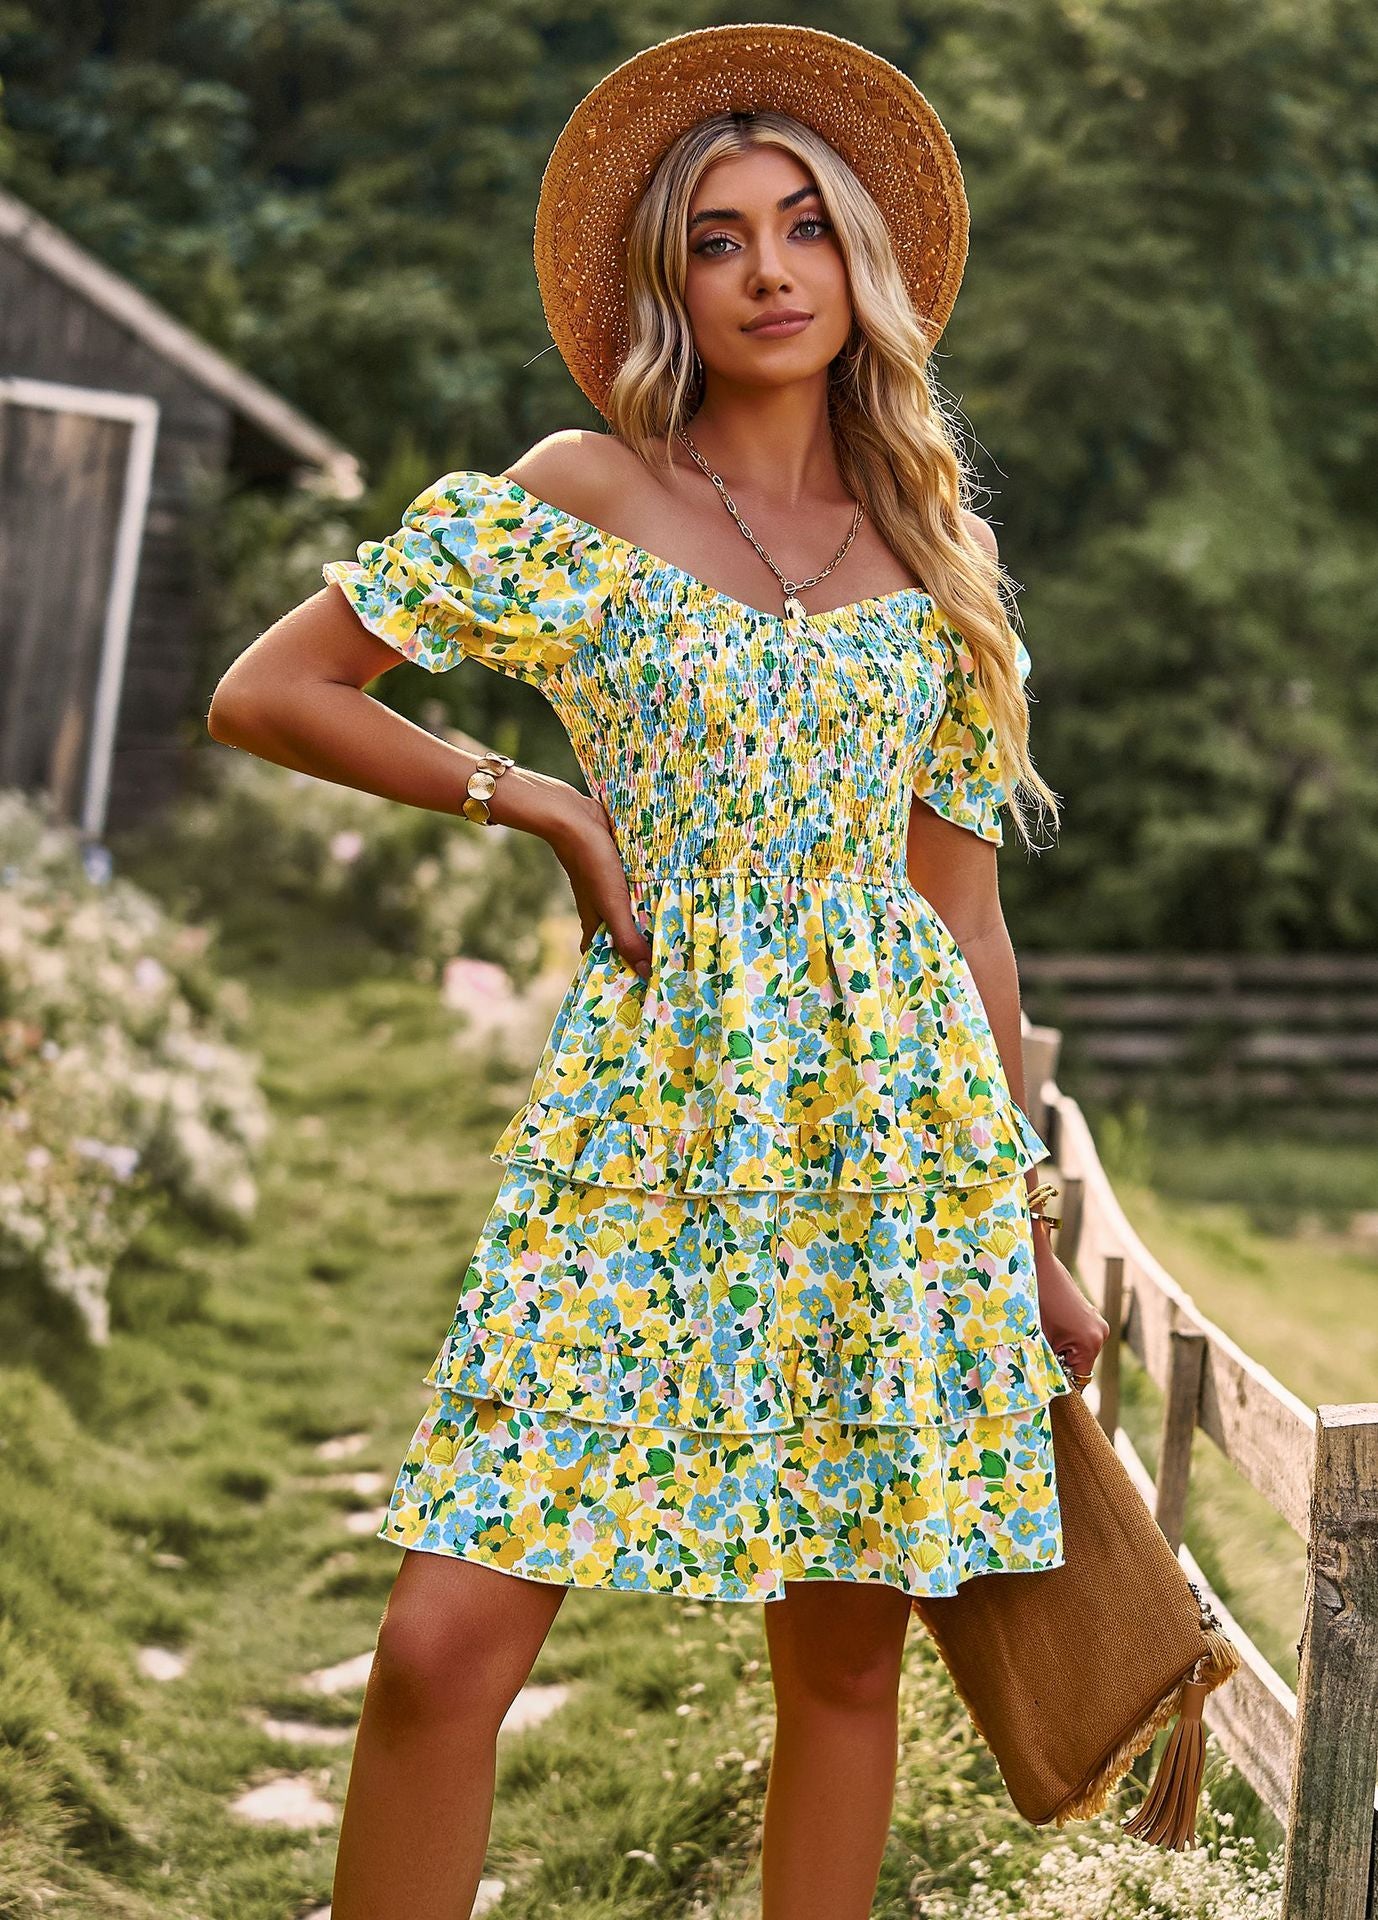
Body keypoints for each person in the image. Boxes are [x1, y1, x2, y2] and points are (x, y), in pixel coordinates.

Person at [208, 24, 1109, 1920]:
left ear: (862, 270)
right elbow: (270, 690)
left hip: (893, 1141)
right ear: (670, 280)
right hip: (650, 1110)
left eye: (805, 229)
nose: (770, 268)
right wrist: (534, 799)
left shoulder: (934, 563)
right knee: (443, 1645)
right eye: (721, 237)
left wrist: (1022, 1228)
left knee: (845, 1662)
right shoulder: (585, 494)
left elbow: (961, 919)